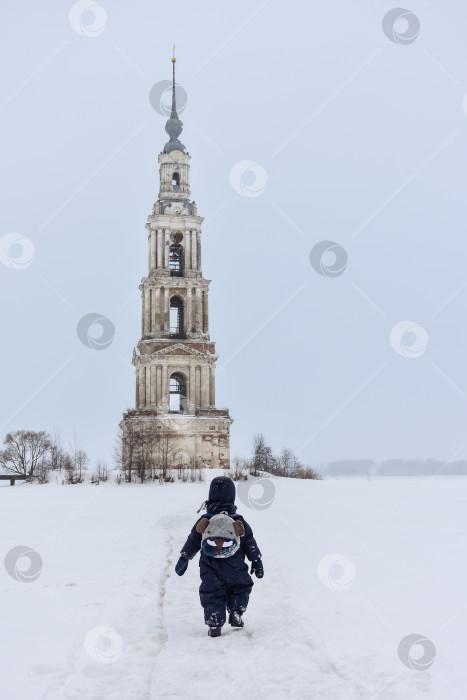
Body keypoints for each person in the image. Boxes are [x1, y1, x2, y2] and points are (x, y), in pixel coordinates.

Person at [175, 475, 264, 637]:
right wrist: (256, 560)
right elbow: (249, 542)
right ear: (232, 497)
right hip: (236, 567)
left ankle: (215, 624)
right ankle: (236, 612)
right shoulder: (238, 520)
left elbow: (193, 540)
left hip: (210, 568)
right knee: (240, 587)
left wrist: (184, 557)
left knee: (212, 593)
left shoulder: (205, 520)